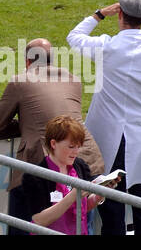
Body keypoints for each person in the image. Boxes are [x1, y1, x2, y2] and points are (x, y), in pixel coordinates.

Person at [66, 0, 141, 236]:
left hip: (108, 140)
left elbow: (73, 37)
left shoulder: (107, 46)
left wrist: (100, 13)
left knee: (111, 207)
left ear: (120, 14)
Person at [0, 40, 103, 190]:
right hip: (87, 160)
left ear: (28, 61)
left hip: (48, 166)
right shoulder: (72, 79)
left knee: (21, 209)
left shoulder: (20, 82)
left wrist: (23, 125)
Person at [18, 116, 112, 235]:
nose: (76, 151)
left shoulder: (80, 165)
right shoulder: (35, 176)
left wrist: (98, 196)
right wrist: (73, 195)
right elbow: (39, 220)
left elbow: (81, 208)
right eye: (71, 147)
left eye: (78, 146)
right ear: (53, 143)